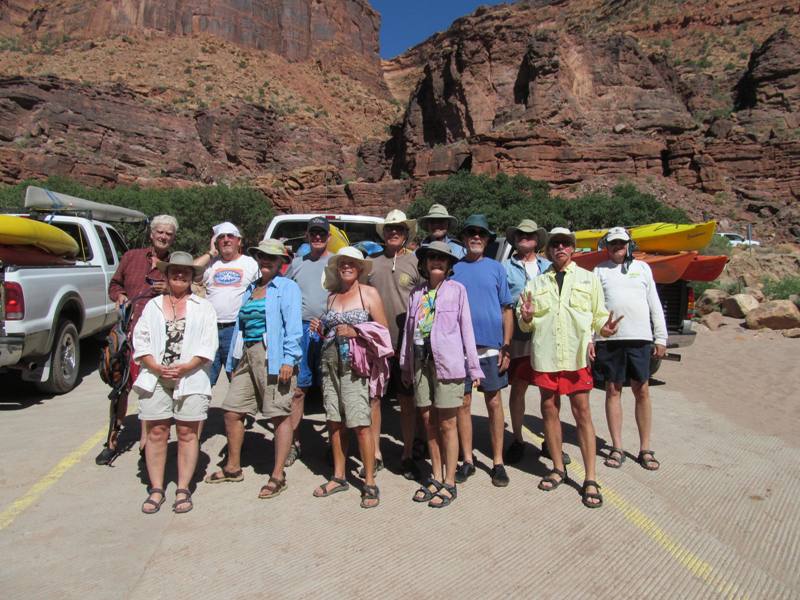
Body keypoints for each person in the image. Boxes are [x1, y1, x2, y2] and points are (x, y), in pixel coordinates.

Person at [517, 227, 621, 509]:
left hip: (575, 357)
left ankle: (590, 477)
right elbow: (524, 322)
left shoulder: (588, 280)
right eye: (555, 244)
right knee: (549, 409)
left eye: (565, 244)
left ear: (573, 248)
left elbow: (598, 315)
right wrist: (525, 317)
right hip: (546, 357)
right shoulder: (536, 284)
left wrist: (605, 329)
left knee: (582, 412)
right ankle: (557, 467)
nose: (560, 248)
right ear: (549, 250)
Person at [204, 239, 302, 499]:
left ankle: (278, 475)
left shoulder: (287, 287)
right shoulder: (251, 288)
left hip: (273, 354)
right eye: (262, 256)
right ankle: (233, 467)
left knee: (278, 414)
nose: (266, 260)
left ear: (282, 262)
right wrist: (234, 362)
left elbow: (293, 326)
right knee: (232, 410)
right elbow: (241, 327)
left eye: (272, 256)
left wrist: (289, 360)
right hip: (247, 354)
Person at [132, 251, 218, 514]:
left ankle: (182, 488)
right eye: (174, 271)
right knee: (156, 432)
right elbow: (141, 338)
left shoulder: (204, 307)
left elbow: (208, 344)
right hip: (156, 375)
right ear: (167, 275)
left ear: (192, 276)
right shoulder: (153, 306)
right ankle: (156, 488)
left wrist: (186, 367)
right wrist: (155, 366)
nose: (179, 275)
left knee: (187, 433)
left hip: (190, 376)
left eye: (185, 271)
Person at [400, 241, 483, 507]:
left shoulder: (457, 291)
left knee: (448, 423)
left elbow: (467, 330)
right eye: (432, 258)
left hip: (448, 364)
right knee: (428, 422)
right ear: (424, 264)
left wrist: (474, 367)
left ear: (449, 265)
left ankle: (449, 481)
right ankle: (434, 475)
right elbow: (408, 333)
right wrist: (405, 365)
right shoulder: (416, 294)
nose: (437, 261)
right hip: (421, 365)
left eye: (442, 258)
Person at [311, 247, 389, 509]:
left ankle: (369, 481)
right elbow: (328, 331)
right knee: (334, 421)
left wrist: (356, 331)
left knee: (360, 423)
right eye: (342, 263)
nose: (346, 267)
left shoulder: (369, 294)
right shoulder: (332, 297)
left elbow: (383, 332)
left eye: (351, 263)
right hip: (329, 364)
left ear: (359, 268)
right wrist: (320, 327)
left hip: (355, 367)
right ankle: (339, 476)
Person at [96, 214, 178, 465]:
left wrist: (170, 289)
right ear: (152, 234)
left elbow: (186, 292)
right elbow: (115, 285)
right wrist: (119, 296)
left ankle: (146, 443)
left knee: (150, 388)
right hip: (128, 333)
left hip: (159, 337)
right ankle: (112, 439)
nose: (164, 237)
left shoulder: (175, 263)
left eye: (169, 234)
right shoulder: (131, 257)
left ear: (173, 238)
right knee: (120, 388)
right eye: (160, 232)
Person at [593, 227, 667, 471]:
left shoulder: (642, 268)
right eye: (613, 244)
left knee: (642, 390)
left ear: (628, 245)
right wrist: (592, 339)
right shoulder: (599, 270)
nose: (617, 247)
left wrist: (661, 337)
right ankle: (616, 446)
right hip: (610, 340)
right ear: (607, 246)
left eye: (621, 244)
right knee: (613, 390)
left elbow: (654, 302)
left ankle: (645, 448)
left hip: (640, 338)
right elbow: (594, 307)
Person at [451, 214, 513, 487]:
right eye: (471, 233)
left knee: (494, 402)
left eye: (481, 233)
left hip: (491, 347)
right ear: (464, 238)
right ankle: (467, 460)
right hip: (460, 348)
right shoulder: (455, 268)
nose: (476, 237)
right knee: (463, 404)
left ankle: (497, 461)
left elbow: (507, 309)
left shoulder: (497, 269)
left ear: (487, 240)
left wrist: (507, 345)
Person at [370, 209, 421, 479]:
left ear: (405, 233)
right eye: (389, 228)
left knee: (406, 399)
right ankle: (375, 452)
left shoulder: (415, 262)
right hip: (375, 343)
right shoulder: (371, 263)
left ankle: (408, 452)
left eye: (399, 229)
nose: (393, 232)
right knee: (375, 398)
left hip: (406, 343)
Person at [501, 219, 556, 465]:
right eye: (520, 234)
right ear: (515, 239)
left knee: (550, 389)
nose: (525, 237)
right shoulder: (505, 267)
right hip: (520, 336)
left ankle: (551, 442)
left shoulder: (549, 266)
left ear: (537, 239)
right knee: (520, 386)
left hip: (545, 335)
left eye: (530, 234)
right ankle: (518, 438)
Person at [284, 216, 332, 467]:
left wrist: (328, 321)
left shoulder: (336, 263)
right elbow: (284, 290)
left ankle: (334, 445)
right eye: (313, 233)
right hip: (301, 330)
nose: (317, 237)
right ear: (307, 236)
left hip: (329, 329)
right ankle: (294, 443)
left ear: (328, 237)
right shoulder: (297, 263)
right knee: (299, 389)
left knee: (330, 389)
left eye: (321, 233)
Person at [193, 222, 259, 386]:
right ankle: (200, 411)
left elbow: (260, 291)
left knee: (237, 378)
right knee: (204, 378)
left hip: (237, 329)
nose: (226, 240)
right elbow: (192, 269)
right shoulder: (211, 264)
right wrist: (210, 253)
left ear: (239, 241)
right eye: (221, 237)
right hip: (210, 328)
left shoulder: (250, 263)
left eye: (231, 236)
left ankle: (237, 412)